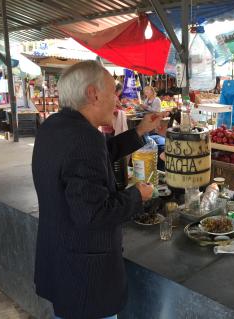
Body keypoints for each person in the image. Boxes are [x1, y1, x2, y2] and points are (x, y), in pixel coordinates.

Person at [32, 61, 162, 319]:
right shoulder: (84, 138)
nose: (117, 98)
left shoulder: (54, 126)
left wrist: (139, 131)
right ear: (93, 94)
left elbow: (101, 153)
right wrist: (138, 195)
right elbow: (93, 214)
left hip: (61, 265)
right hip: (86, 281)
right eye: (113, 91)